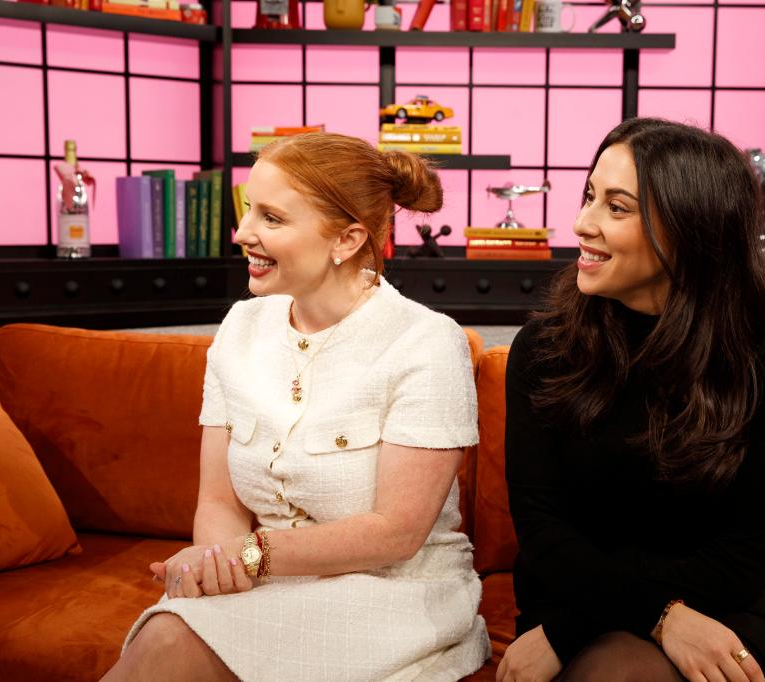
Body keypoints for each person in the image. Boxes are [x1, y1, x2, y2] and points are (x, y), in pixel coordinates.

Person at [103, 132, 491, 681]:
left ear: (348, 238)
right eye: (247, 212)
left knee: (168, 645)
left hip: (392, 593)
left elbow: (396, 533)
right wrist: (222, 572)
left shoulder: (426, 343)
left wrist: (249, 557)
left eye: (272, 219)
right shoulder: (241, 327)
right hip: (266, 585)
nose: (242, 234)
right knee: (166, 635)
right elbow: (217, 501)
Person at [497, 117, 765, 682]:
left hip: (725, 604)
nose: (580, 224)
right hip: (576, 596)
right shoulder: (544, 350)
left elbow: (742, 559)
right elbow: (542, 531)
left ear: (690, 229)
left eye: (616, 208)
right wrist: (653, 617)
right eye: (589, 196)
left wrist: (659, 615)